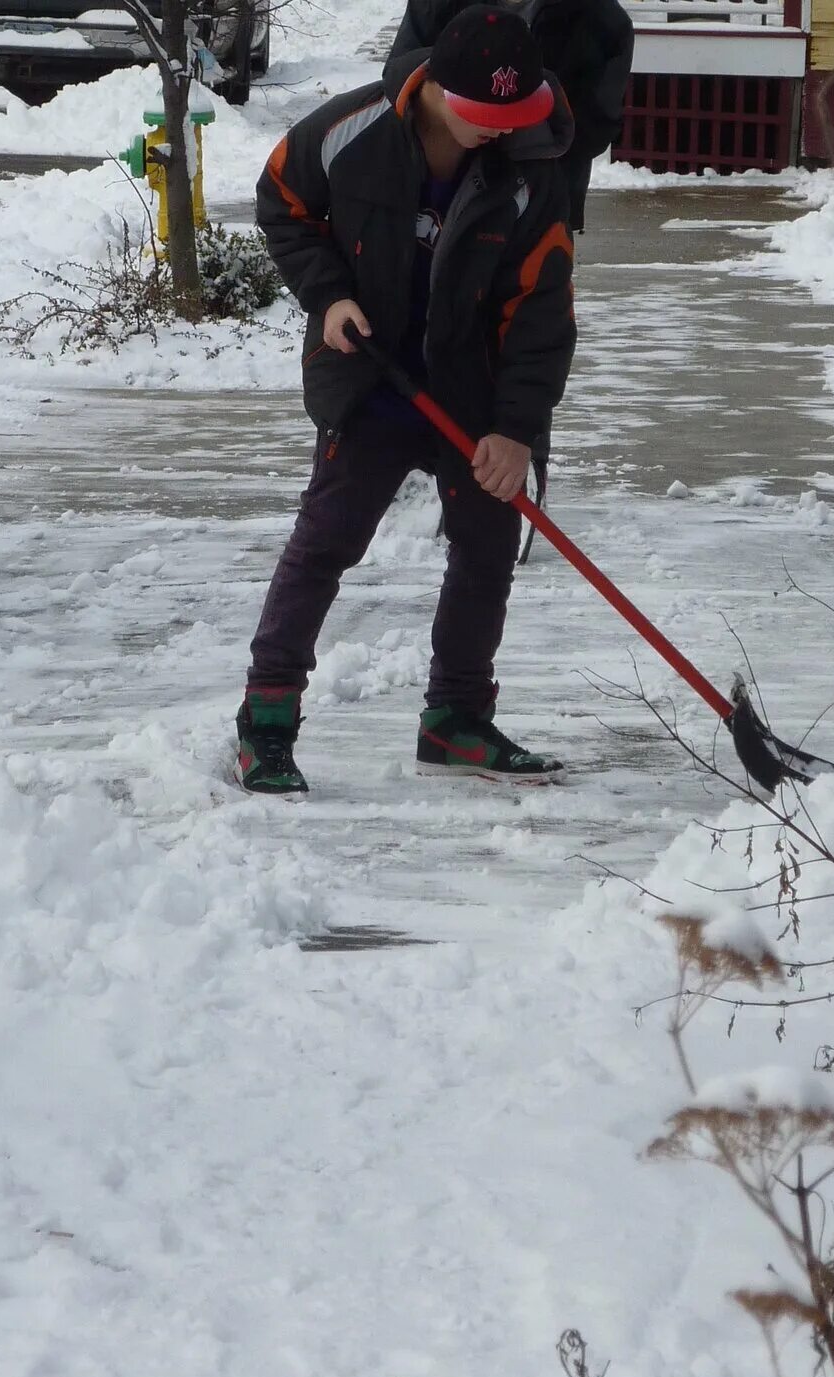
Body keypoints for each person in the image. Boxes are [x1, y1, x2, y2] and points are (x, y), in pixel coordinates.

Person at [236, 4, 576, 796]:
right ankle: (268, 720)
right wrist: (328, 297)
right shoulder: (352, 132)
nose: (501, 131)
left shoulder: (528, 172)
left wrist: (516, 431)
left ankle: (455, 719)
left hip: (476, 395)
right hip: (374, 378)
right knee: (326, 543)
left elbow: (541, 313)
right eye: (484, 117)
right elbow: (281, 201)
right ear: (433, 90)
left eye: (512, 116)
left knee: (487, 552)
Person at [387, 0, 634, 233]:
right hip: (437, 185)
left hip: (540, 192)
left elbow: (595, 126)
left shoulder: (599, 15)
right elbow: (401, 75)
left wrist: (529, 130)